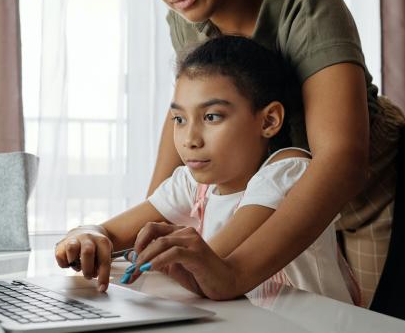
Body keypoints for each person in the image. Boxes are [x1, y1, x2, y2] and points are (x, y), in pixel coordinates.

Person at [109, 0, 405, 305]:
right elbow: (188, 108)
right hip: (271, 194)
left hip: (362, 196)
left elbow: (341, 159)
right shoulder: (188, 14)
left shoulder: (308, 6)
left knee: (368, 320)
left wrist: (233, 273)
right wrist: (143, 236)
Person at [55, 36, 355, 304]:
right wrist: (85, 236)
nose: (189, 140)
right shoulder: (193, 184)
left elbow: (211, 265)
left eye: (211, 117)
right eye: (179, 119)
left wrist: (147, 252)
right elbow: (109, 231)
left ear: (268, 121)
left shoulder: (288, 171)